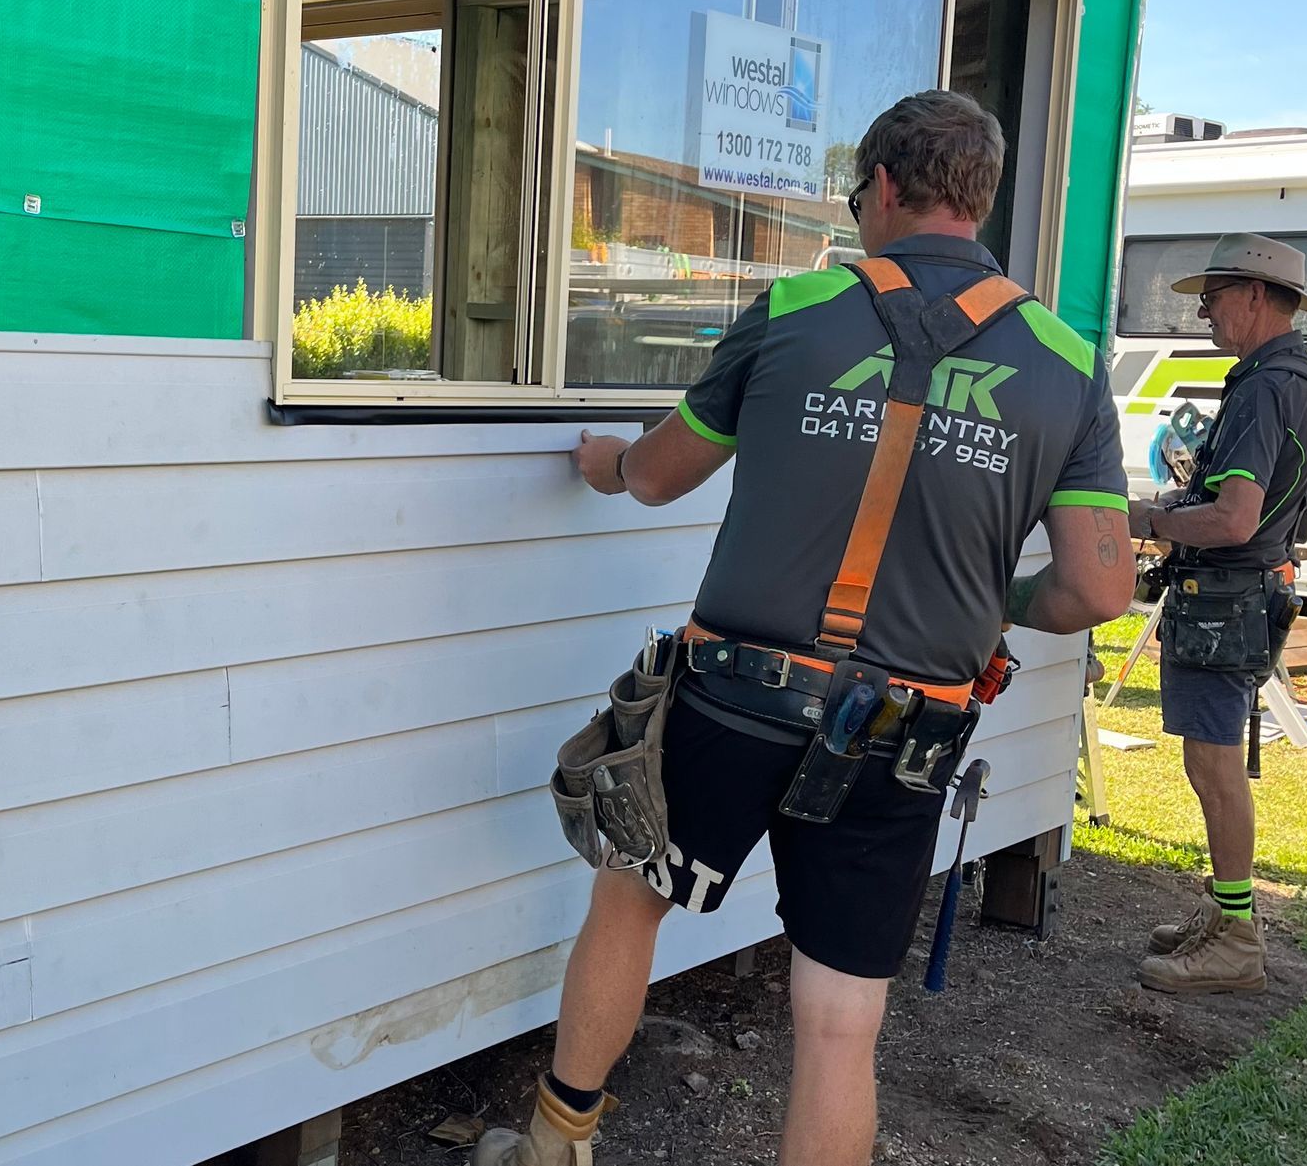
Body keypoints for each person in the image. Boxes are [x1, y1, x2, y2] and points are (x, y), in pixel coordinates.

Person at [475, 90, 1135, 1166]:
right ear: (982, 196)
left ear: (880, 186)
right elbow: (1099, 588)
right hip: (906, 731)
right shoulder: (1063, 358)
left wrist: (600, 461)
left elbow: (654, 473)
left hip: (737, 697)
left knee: (634, 896)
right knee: (837, 1019)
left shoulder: (794, 307)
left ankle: (555, 1141)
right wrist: (1002, 605)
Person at [1128, 234, 1307, 993]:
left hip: (1225, 598)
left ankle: (1238, 939)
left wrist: (1144, 519)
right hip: (1249, 596)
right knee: (1208, 763)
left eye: (1213, 296)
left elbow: (1234, 517)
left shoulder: (1261, 386)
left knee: (1214, 768)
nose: (1205, 310)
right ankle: (1224, 910)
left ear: (1254, 296)